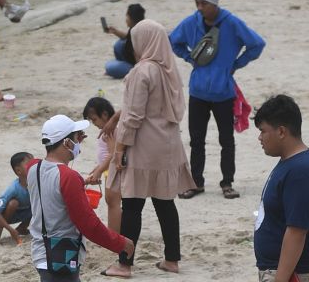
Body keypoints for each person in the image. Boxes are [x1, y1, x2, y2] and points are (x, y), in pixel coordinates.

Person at [101, 20, 194, 277]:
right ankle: (172, 260)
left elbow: (133, 116)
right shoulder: (168, 69)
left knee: (132, 205)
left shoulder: (141, 71)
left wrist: (119, 150)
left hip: (143, 147)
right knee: (165, 203)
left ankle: (124, 264)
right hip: (168, 145)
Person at [170, 0, 266, 201]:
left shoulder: (231, 23)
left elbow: (257, 44)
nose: (200, 8)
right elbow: (173, 41)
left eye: (204, 3)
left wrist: (235, 64)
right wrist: (189, 57)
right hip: (198, 92)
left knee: (226, 140)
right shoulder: (191, 22)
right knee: (196, 140)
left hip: (224, 93)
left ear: (215, 4)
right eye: (197, 3)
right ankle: (196, 183)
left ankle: (227, 183)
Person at [27, 114, 133, 281]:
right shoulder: (68, 177)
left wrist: (80, 182)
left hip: (41, 252)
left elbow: (51, 186)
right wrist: (120, 243)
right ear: (67, 143)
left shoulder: (33, 167)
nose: (79, 142)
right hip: (62, 254)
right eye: (76, 138)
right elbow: (88, 225)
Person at [252, 95, 309, 282]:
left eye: (263, 131)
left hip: (297, 274)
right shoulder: (290, 162)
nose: (260, 138)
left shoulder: (300, 172)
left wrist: (280, 279)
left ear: (281, 132)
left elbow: (297, 231)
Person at [81, 98, 122, 233]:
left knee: (113, 202)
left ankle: (114, 233)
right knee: (111, 201)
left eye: (94, 119)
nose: (94, 124)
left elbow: (112, 154)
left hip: (113, 169)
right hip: (107, 169)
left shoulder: (111, 131)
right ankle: (114, 232)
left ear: (104, 114)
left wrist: (99, 171)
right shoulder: (107, 131)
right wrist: (98, 168)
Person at [0, 151, 35, 246]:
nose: (33, 166)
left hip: (26, 212)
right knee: (13, 203)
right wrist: (11, 230)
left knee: (41, 203)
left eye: (34, 163)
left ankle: (22, 228)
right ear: (18, 171)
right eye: (29, 164)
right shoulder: (14, 188)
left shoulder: (36, 183)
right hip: (7, 216)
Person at [102, 3, 145, 79]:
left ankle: (126, 70)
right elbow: (127, 37)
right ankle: (122, 67)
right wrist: (115, 31)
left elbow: (139, 57)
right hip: (132, 62)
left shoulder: (138, 33)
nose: (126, 19)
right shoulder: (137, 27)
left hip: (138, 66)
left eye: (127, 17)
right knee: (120, 43)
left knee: (109, 67)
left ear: (131, 19)